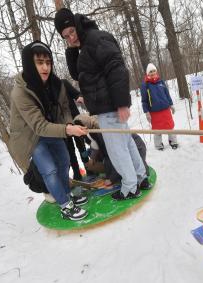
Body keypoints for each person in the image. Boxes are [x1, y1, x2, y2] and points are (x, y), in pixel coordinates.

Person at [54, 8, 149, 200]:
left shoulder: (96, 39)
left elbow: (117, 68)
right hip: (107, 106)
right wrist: (72, 50)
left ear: (77, 24)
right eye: (65, 36)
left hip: (110, 105)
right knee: (127, 142)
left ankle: (130, 187)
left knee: (117, 149)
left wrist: (122, 103)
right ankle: (141, 177)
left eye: (72, 32)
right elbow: (76, 74)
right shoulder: (84, 45)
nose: (71, 38)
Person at [9, 40, 89, 221]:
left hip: (51, 130)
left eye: (48, 62)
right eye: (39, 62)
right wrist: (69, 130)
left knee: (64, 160)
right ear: (30, 64)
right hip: (32, 137)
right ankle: (65, 206)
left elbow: (64, 110)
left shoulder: (55, 84)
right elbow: (38, 126)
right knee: (50, 170)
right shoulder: (20, 92)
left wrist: (71, 124)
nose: (45, 67)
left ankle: (67, 194)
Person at [74, 114, 150, 188]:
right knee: (126, 169)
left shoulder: (100, 132)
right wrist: (92, 157)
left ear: (85, 126)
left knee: (136, 168)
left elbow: (113, 157)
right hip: (126, 147)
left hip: (136, 146)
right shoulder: (92, 130)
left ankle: (142, 181)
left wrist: (111, 179)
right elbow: (96, 146)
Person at [141, 63, 178, 150]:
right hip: (154, 112)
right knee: (157, 131)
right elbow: (144, 100)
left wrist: (171, 104)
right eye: (150, 71)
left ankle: (173, 142)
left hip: (165, 110)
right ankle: (158, 145)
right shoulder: (145, 85)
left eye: (154, 71)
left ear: (156, 71)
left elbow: (167, 94)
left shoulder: (161, 82)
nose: (153, 72)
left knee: (170, 127)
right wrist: (146, 112)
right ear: (147, 73)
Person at [62, 79, 89, 180]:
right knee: (70, 151)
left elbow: (76, 94)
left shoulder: (63, 83)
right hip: (63, 126)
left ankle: (88, 167)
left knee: (82, 147)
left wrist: (79, 97)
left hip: (75, 120)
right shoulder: (48, 90)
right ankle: (77, 173)